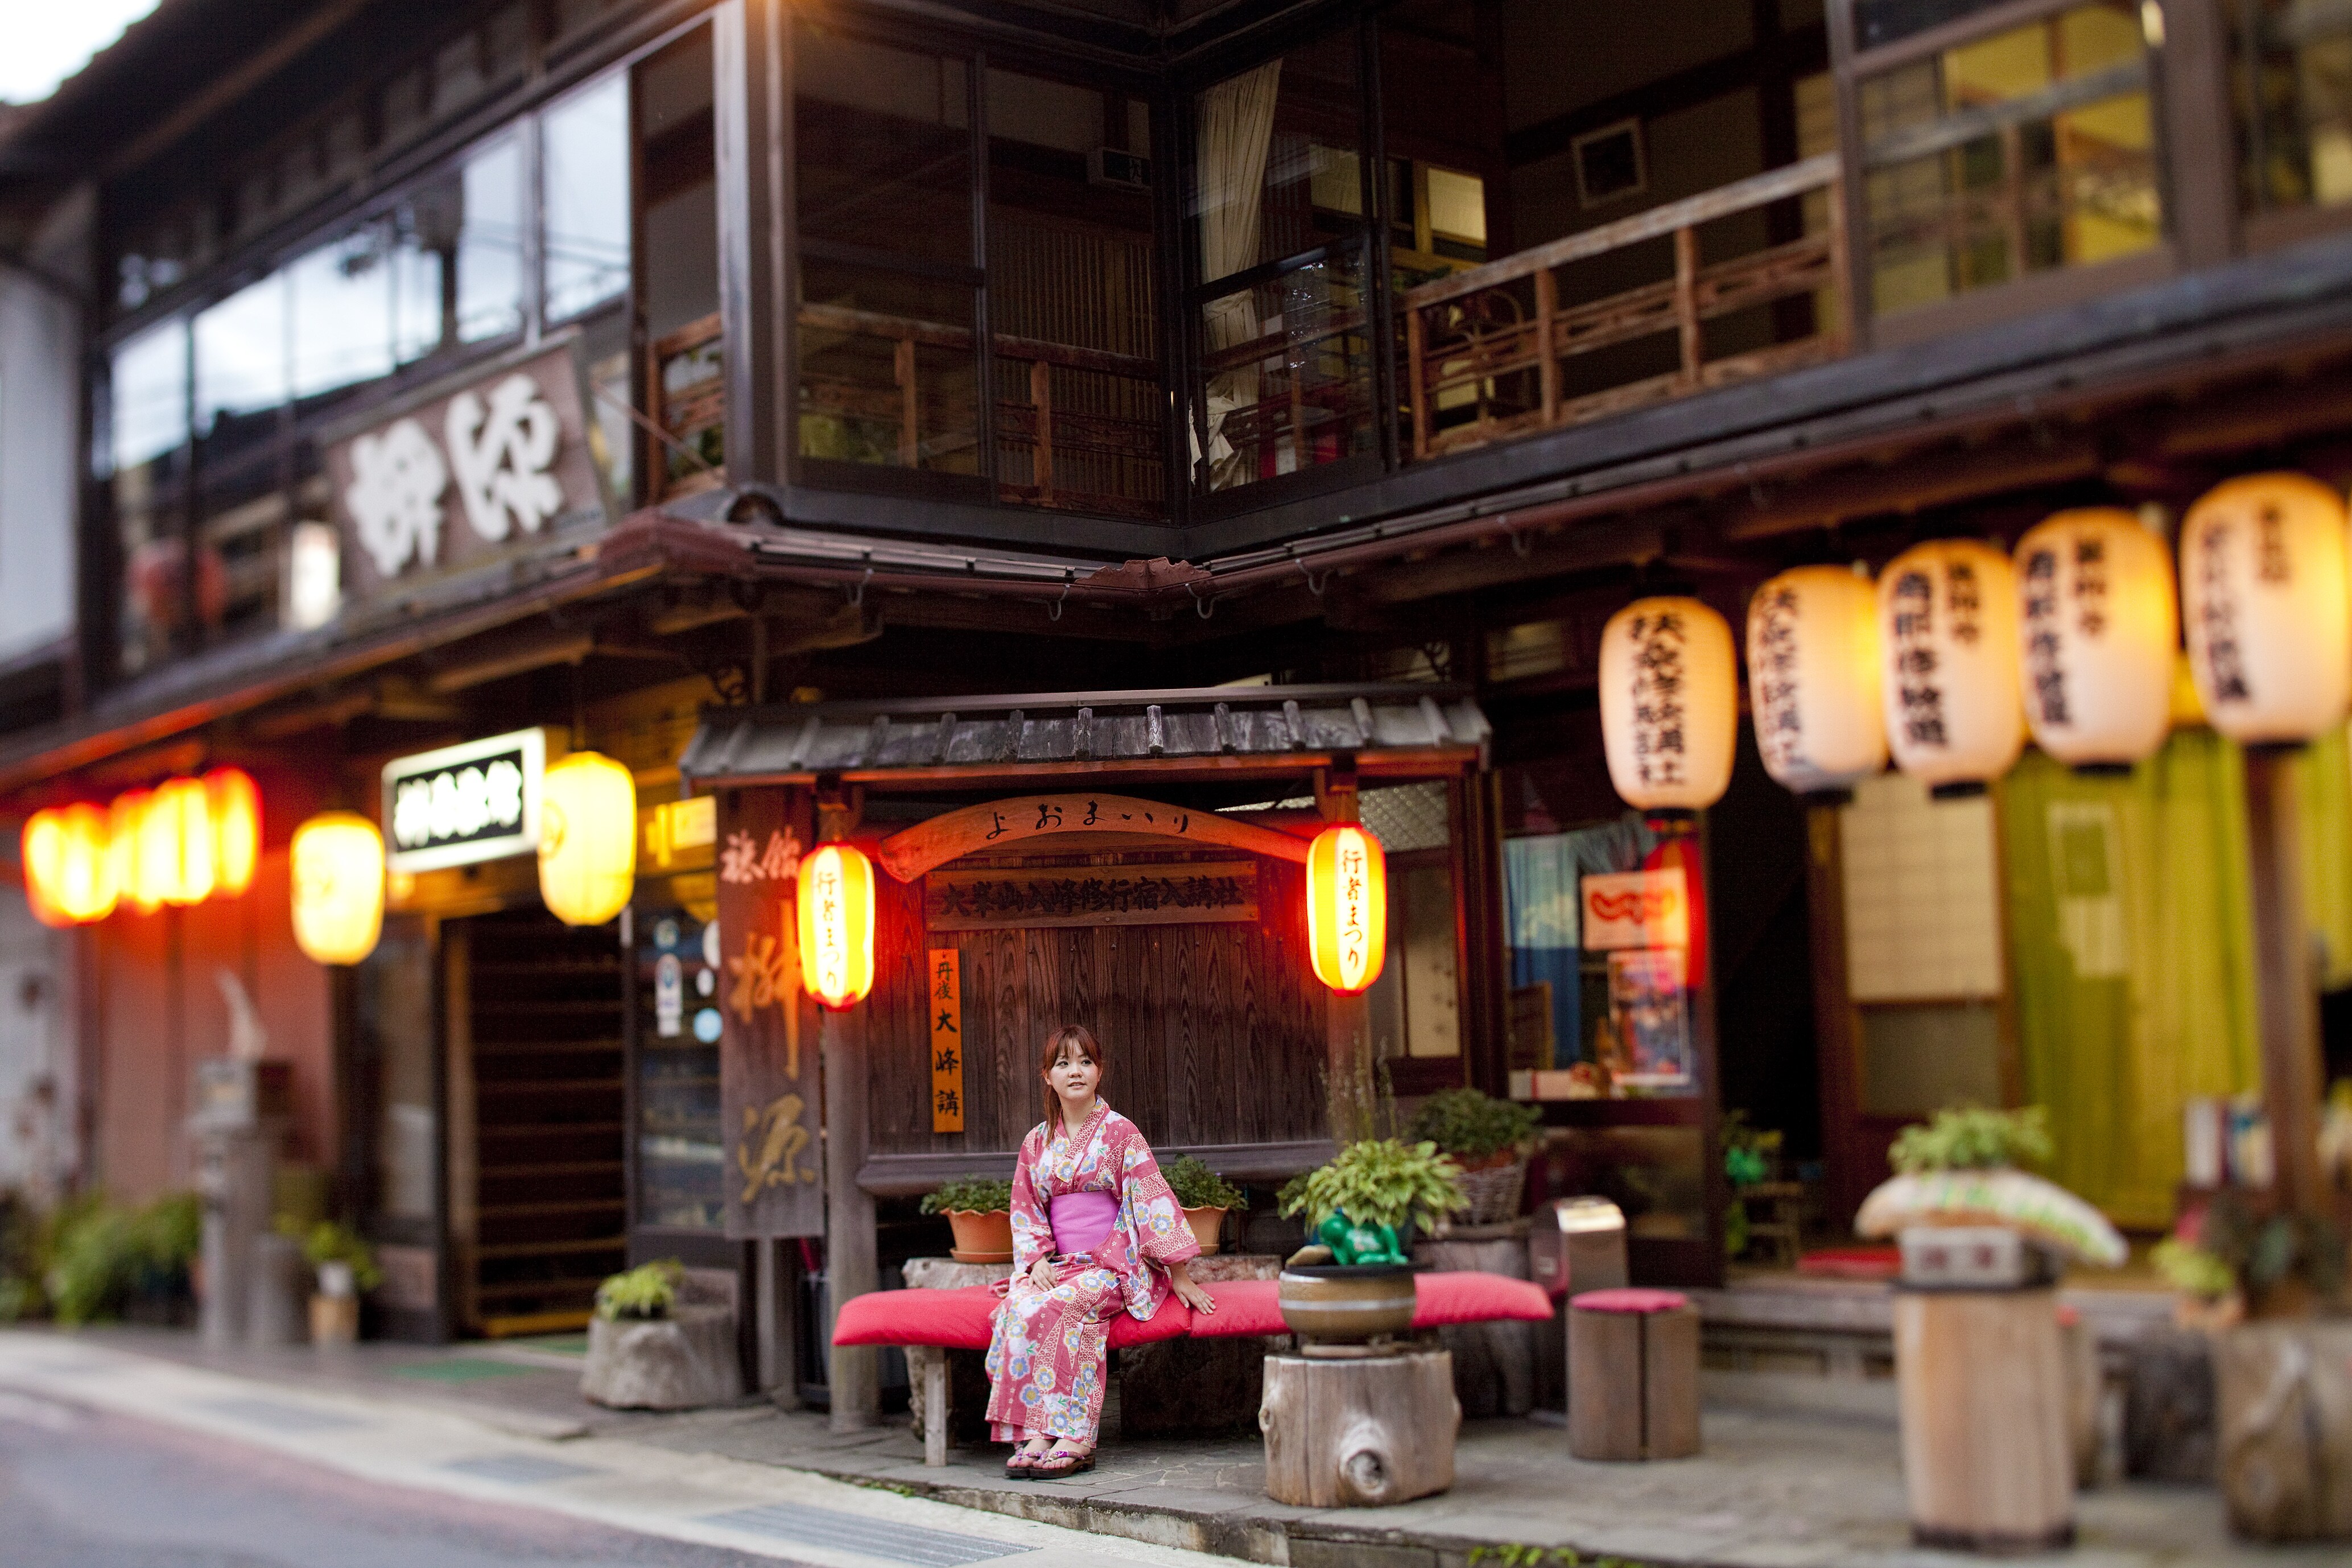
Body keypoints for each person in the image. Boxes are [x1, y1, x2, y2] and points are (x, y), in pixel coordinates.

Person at [985, 1023, 1215, 1478]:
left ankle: (1075, 1435)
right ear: (1046, 1075)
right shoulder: (1035, 1143)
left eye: (1085, 1061)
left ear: (1100, 1071)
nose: (1076, 1072)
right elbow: (1025, 1208)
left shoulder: (1119, 1133)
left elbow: (1152, 1197)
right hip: (1059, 1264)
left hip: (1113, 1264)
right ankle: (1036, 1431)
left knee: (1067, 1307)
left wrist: (1179, 1273)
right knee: (1021, 1307)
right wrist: (1035, 1262)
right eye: (1063, 1063)